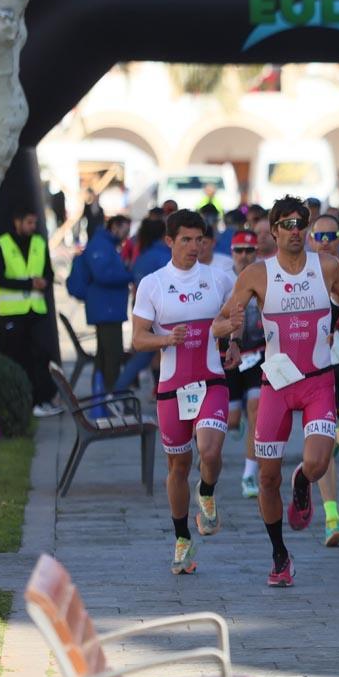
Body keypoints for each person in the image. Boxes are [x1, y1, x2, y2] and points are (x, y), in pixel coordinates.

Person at [212, 196, 339, 587]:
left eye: (301, 224)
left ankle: (303, 482)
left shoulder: (326, 266)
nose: (295, 231)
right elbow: (221, 322)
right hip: (276, 384)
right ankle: (280, 555)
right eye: (288, 225)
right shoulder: (257, 274)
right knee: (266, 478)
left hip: (317, 380)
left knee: (317, 463)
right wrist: (231, 336)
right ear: (274, 231)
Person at [131, 209, 237, 574]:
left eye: (199, 240)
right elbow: (138, 338)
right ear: (169, 241)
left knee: (209, 449)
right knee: (178, 466)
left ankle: (206, 491)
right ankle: (182, 539)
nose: (194, 247)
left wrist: (233, 340)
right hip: (172, 388)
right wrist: (165, 339)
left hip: (211, 380)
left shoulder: (219, 278)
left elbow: (234, 316)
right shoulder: (153, 284)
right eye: (186, 240)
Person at [0, 205, 61, 416]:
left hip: (35, 310)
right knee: (16, 358)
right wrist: (29, 284)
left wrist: (44, 282)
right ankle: (22, 404)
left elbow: (49, 273)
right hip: (12, 312)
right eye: (29, 222)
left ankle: (42, 399)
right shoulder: (2, 244)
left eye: (35, 223)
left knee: (41, 356)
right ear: (17, 222)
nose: (33, 226)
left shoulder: (39, 243)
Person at [307, 214, 339, 548]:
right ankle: (331, 517)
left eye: (330, 236)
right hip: (319, 368)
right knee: (324, 444)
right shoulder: (301, 272)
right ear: (311, 239)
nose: (325, 242)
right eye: (319, 236)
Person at [224, 230, 265, 500]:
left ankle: (249, 473)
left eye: (249, 251)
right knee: (231, 419)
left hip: (258, 355)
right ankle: (235, 420)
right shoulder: (222, 279)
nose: (243, 256)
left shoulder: (265, 277)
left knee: (256, 410)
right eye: (238, 250)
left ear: (256, 253)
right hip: (228, 356)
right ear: (231, 253)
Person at [113, 219, 171, 393]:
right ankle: (118, 392)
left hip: (143, 310)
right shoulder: (165, 256)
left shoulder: (142, 257)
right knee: (145, 355)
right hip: (161, 313)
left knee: (148, 355)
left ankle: (157, 391)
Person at [84, 214, 134, 391]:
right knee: (113, 352)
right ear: (114, 227)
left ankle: (101, 393)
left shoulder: (107, 245)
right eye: (125, 231)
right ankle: (111, 392)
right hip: (106, 309)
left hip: (108, 307)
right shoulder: (102, 245)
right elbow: (103, 274)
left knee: (104, 354)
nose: (126, 236)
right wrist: (130, 275)